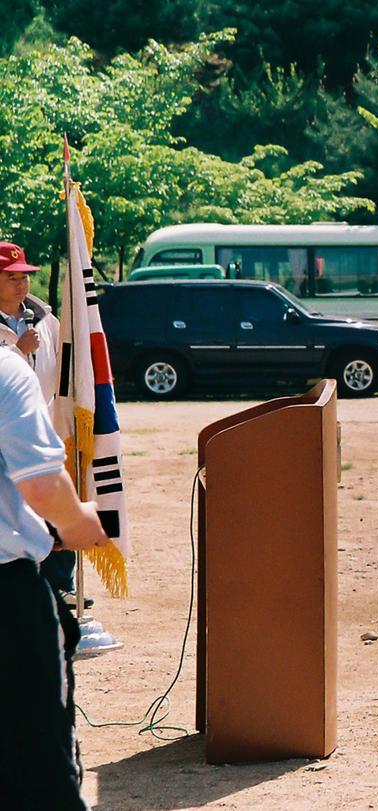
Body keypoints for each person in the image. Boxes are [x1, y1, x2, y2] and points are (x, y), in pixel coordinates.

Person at [0, 342, 110, 809]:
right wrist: (77, 522)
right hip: (6, 596)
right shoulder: (5, 368)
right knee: (35, 763)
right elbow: (42, 483)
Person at [0, 243, 78, 602]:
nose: (21, 285)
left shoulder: (46, 320)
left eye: (25, 277)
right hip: (6, 438)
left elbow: (65, 370)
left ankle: (59, 587)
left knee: (56, 507)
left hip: (45, 426)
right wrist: (18, 352)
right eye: (11, 277)